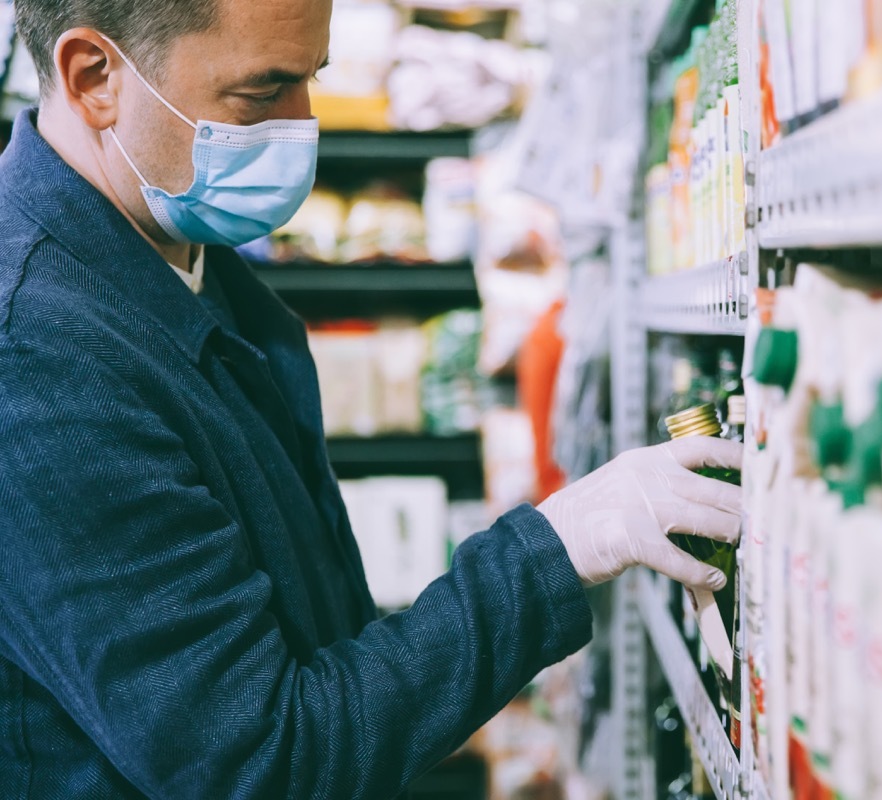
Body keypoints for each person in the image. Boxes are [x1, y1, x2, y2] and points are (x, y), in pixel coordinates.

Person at [0, 0, 742, 797]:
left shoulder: (177, 256)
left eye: (311, 80)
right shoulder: (38, 359)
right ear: (94, 77)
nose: (302, 127)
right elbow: (260, 758)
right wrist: (553, 551)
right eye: (262, 93)